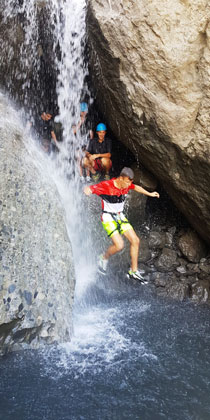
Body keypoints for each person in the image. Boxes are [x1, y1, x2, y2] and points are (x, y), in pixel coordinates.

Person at [84, 167, 160, 282]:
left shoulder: (127, 184)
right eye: (127, 181)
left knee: (135, 240)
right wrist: (87, 190)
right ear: (120, 178)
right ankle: (103, 258)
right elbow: (89, 188)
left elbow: (136, 187)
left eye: (130, 182)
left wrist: (149, 193)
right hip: (108, 217)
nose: (129, 185)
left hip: (120, 216)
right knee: (119, 245)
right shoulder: (106, 185)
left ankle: (133, 271)